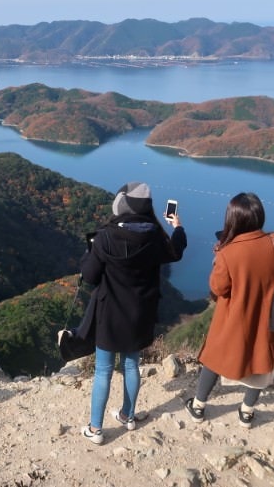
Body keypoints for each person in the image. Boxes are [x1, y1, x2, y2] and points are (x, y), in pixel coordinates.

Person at [77, 182, 187, 444]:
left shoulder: (105, 237)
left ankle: (95, 429)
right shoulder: (156, 237)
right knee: (131, 365)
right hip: (141, 313)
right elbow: (176, 252)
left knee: (103, 370)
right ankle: (128, 416)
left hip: (110, 313)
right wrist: (178, 226)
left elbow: (89, 276)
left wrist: (89, 251)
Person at [183, 192, 274, 428]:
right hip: (267, 315)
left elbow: (218, 287)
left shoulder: (228, 252)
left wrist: (218, 258)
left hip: (234, 317)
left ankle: (199, 406)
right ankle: (247, 412)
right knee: (261, 358)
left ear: (233, 220)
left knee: (214, 356)